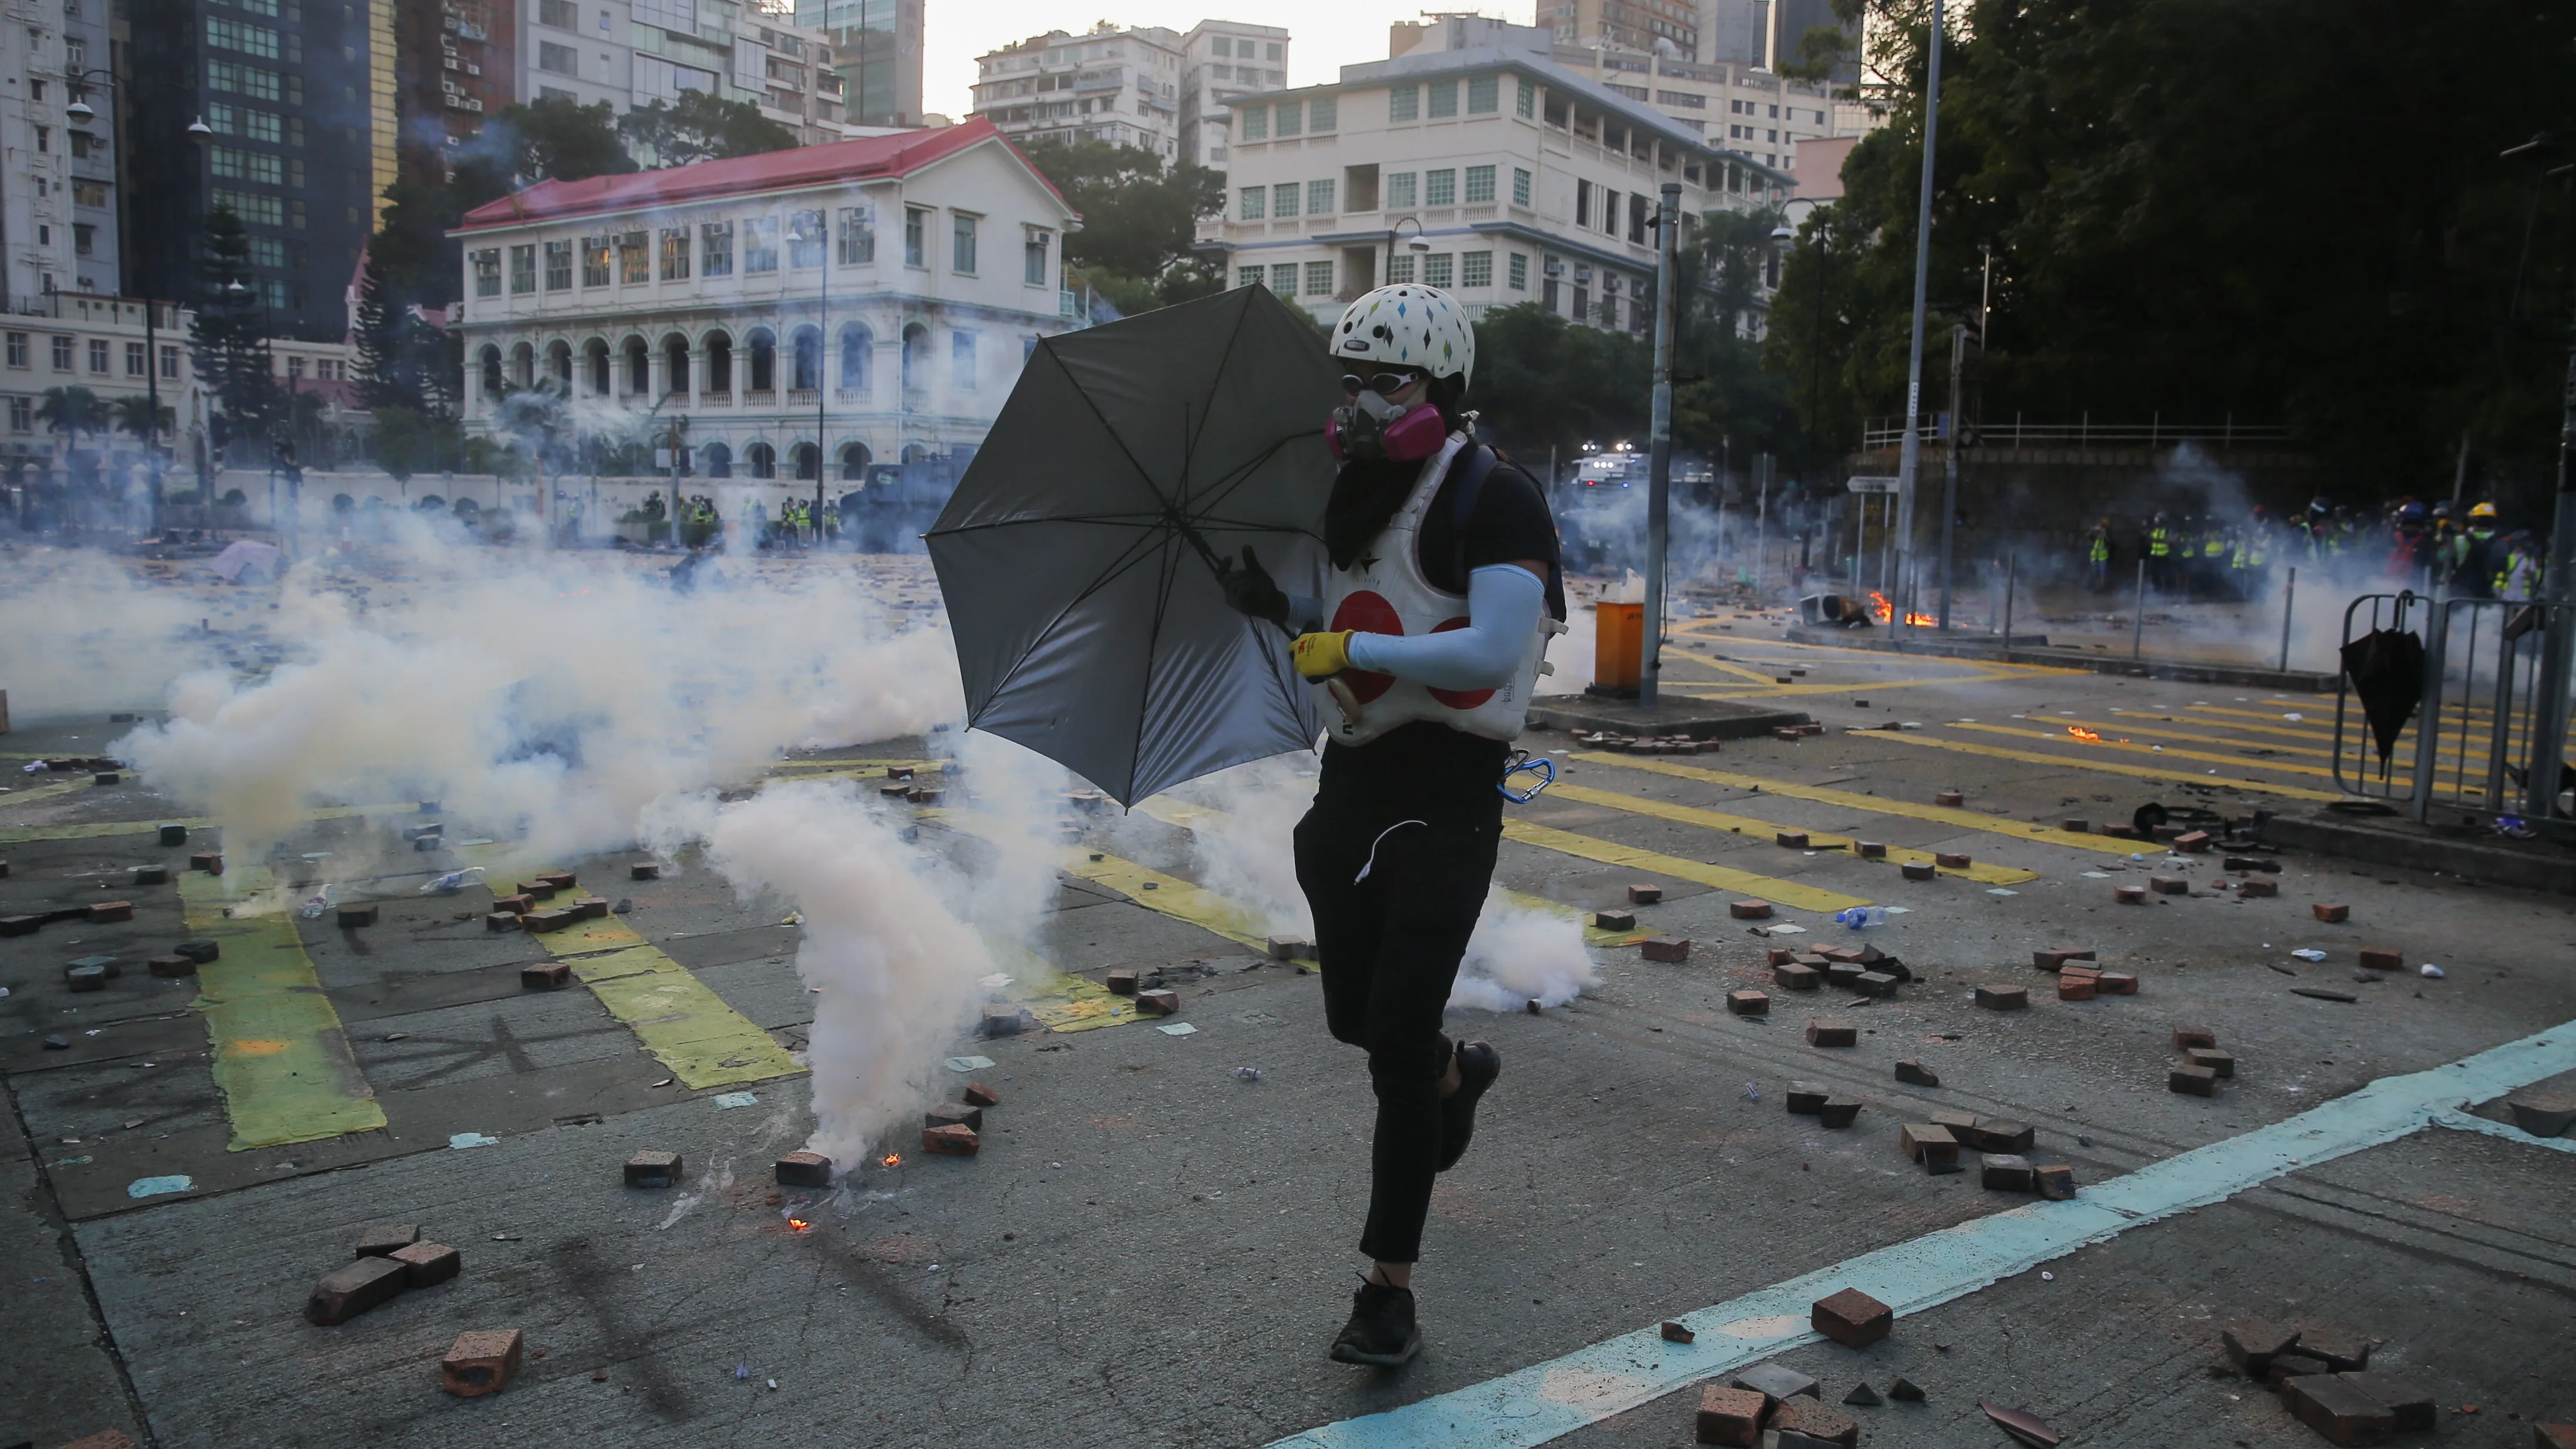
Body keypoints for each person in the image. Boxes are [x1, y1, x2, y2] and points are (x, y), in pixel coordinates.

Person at [1217, 283, 1566, 1369]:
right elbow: (1343, 626)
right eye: (1352, 380)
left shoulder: (1494, 497)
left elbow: (1483, 657)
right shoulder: (1349, 492)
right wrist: (1276, 613)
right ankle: (1456, 1076)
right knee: (1361, 1025)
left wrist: (1356, 654)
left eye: (1390, 381)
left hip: (1451, 796)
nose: (1365, 402)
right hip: (1351, 788)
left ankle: (1386, 1292)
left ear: (1442, 389)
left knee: (1395, 1044)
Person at [2086, 518, 2113, 593]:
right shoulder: (2095, 533)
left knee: (2102, 575)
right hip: (2095, 557)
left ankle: (2102, 588)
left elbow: (2109, 543)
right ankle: (2097, 588)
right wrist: (2092, 530)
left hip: (2103, 557)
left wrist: (2104, 534)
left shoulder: (2108, 534)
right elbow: (2087, 537)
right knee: (2095, 574)